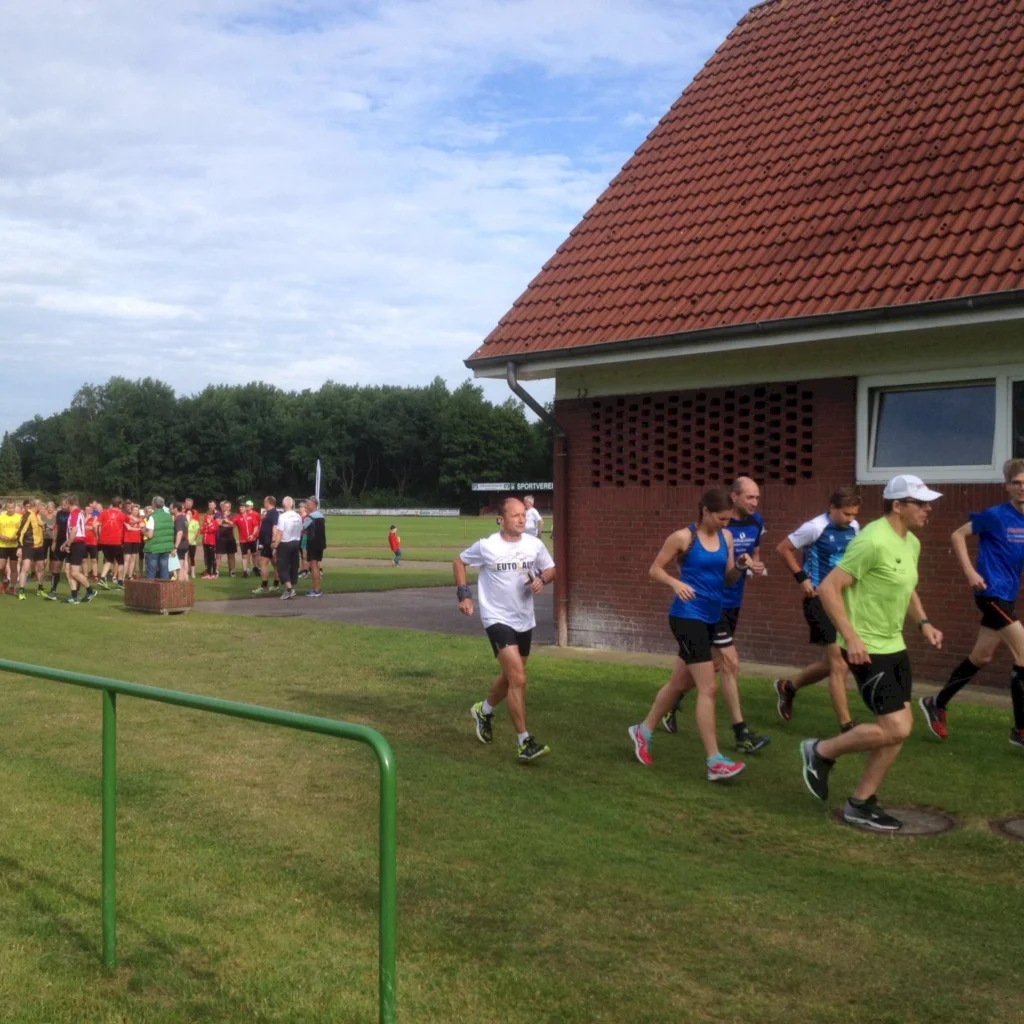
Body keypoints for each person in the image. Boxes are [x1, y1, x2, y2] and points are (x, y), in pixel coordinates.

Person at [801, 474, 944, 831]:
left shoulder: (909, 542)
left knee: (899, 730)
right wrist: (852, 637)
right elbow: (830, 588)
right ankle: (820, 752)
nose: (928, 509)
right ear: (898, 506)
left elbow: (906, 587)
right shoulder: (871, 540)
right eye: (921, 503)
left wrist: (924, 622)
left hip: (894, 644)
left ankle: (860, 803)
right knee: (895, 726)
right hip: (866, 648)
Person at [629, 486, 753, 780]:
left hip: (712, 616)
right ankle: (715, 761)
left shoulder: (726, 537)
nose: (726, 524)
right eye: (721, 518)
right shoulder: (684, 537)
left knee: (679, 684)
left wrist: (742, 568)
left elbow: (727, 578)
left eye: (728, 520)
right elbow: (655, 569)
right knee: (708, 687)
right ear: (706, 511)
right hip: (686, 616)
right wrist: (676, 584)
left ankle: (642, 731)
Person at [919, 458, 1024, 746]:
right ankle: (1020, 731)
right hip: (989, 593)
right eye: (1016, 483)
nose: (1021, 488)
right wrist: (969, 572)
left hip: (1008, 596)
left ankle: (936, 703)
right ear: (1007, 486)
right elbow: (957, 535)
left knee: (982, 657)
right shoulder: (995, 515)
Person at [662, 476, 770, 753]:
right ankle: (740, 734)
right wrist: (680, 584)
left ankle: (665, 708)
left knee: (688, 674)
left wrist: (751, 565)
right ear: (733, 498)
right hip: (704, 607)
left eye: (757, 498)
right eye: (750, 497)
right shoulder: (706, 528)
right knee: (729, 663)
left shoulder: (753, 524)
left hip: (730, 600)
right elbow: (685, 564)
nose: (755, 503)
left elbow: (748, 560)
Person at [460, 497, 555, 762]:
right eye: (515, 516)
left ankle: (484, 710)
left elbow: (551, 569)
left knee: (512, 677)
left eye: (523, 515)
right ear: (501, 519)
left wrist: (541, 580)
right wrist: (464, 594)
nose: (522, 519)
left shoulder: (534, 545)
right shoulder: (487, 546)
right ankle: (525, 742)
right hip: (496, 618)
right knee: (519, 680)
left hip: (524, 618)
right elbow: (459, 562)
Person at [773, 487, 862, 729]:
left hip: (844, 600)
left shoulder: (854, 528)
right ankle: (846, 725)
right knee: (839, 664)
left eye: (854, 514)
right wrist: (802, 577)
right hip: (819, 599)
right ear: (832, 508)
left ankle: (787, 687)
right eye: (846, 514)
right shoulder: (814, 527)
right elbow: (783, 548)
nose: (851, 519)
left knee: (834, 662)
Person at [62, 494, 97, 603]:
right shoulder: (77, 513)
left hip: (77, 544)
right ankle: (74, 596)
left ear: (69, 503)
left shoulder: (75, 513)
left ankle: (90, 591)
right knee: (68, 570)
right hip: (74, 543)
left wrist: (68, 544)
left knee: (74, 572)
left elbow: (75, 530)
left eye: (65, 503)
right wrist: (65, 543)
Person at [272, 496, 303, 599]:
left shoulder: (283, 516)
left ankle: (290, 589)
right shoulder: (298, 516)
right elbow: (300, 530)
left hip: (285, 543)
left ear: (283, 505)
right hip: (296, 542)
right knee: (294, 566)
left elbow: (280, 533)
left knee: (281, 567)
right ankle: (291, 588)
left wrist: (275, 546)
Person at [16, 498, 46, 600]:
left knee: (41, 567)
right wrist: (19, 547)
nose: (42, 508)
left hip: (40, 546)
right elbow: (20, 532)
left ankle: (40, 589)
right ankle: (21, 591)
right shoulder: (27, 515)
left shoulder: (38, 516)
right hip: (28, 545)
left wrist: (43, 525)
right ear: (36, 506)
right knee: (26, 567)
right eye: (40, 506)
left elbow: (40, 530)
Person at [97, 496, 127, 589]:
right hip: (116, 542)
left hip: (104, 542)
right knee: (121, 562)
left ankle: (102, 578)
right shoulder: (122, 514)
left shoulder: (104, 513)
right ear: (120, 504)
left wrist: (98, 535)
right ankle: (120, 582)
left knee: (109, 560)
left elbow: (96, 524)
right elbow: (130, 523)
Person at [253, 496, 281, 594]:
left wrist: (273, 541)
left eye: (265, 501)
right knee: (274, 563)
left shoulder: (273, 513)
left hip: (269, 542)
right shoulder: (269, 513)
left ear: (268, 502)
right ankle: (276, 584)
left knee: (263, 562)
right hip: (267, 541)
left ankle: (264, 586)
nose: (264, 503)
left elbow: (275, 527)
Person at [144, 496, 175, 580]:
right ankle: (165, 591)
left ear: (153, 505)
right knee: (164, 570)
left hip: (153, 547)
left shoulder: (152, 517)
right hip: (166, 547)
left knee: (151, 571)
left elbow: (150, 535)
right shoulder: (169, 516)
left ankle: (150, 590)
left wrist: (143, 530)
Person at [46, 497, 71, 600]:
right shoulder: (59, 513)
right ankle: (53, 591)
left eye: (65, 504)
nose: (63, 506)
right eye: (62, 504)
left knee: (71, 570)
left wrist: (69, 542)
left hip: (70, 543)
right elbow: (56, 527)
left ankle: (75, 592)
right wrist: (54, 541)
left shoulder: (73, 514)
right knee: (56, 567)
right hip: (59, 543)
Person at [303, 496, 326, 597]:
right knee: (316, 564)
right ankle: (317, 588)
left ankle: (316, 589)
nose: (306, 507)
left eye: (308, 505)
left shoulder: (311, 517)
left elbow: (303, 528)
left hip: (312, 543)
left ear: (313, 505)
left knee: (313, 566)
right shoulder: (321, 516)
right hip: (320, 543)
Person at [234, 499, 261, 577]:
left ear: (246, 508)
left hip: (252, 539)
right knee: (244, 555)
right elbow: (232, 523)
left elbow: (256, 526)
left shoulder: (252, 516)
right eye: (240, 507)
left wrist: (253, 535)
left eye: (242, 507)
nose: (241, 508)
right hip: (243, 539)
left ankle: (255, 568)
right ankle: (245, 571)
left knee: (254, 554)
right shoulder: (237, 517)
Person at [0, 498, 21, 594]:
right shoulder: (1, 517)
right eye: (8, 507)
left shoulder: (19, 517)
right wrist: (2, 536)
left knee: (13, 567)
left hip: (14, 545)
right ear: (6, 507)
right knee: (1, 566)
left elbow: (21, 532)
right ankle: (5, 580)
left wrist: (15, 537)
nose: (10, 509)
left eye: (12, 507)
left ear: (15, 507)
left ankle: (12, 587)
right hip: (2, 545)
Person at [122, 502, 144, 583]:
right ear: (131, 510)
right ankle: (123, 577)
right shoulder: (127, 518)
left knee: (133, 559)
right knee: (126, 559)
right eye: (134, 510)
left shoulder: (140, 519)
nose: (135, 512)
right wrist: (138, 527)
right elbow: (128, 528)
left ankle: (130, 575)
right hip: (128, 540)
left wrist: (138, 524)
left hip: (137, 540)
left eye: (137, 510)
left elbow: (143, 525)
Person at [217, 500, 238, 576]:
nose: (227, 508)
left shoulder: (233, 515)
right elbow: (218, 523)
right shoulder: (219, 514)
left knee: (231, 555)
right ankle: (217, 571)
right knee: (218, 555)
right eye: (225, 506)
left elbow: (233, 525)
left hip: (230, 538)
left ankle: (232, 571)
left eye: (228, 507)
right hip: (220, 537)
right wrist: (225, 520)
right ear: (222, 507)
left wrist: (226, 521)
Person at [172, 502, 191, 582]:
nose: (171, 510)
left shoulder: (179, 519)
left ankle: (181, 586)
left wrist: (175, 546)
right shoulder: (184, 518)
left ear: (176, 509)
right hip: (185, 543)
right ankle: (186, 583)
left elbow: (180, 532)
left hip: (180, 544)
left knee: (179, 567)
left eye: (172, 508)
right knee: (182, 565)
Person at [201, 501, 220, 578]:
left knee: (212, 558)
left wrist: (209, 525)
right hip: (205, 542)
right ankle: (208, 573)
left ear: (213, 516)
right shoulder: (205, 522)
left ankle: (214, 573)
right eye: (208, 515)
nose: (209, 517)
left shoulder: (215, 522)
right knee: (208, 559)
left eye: (210, 515)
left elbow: (211, 530)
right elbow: (201, 530)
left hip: (211, 542)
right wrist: (207, 526)